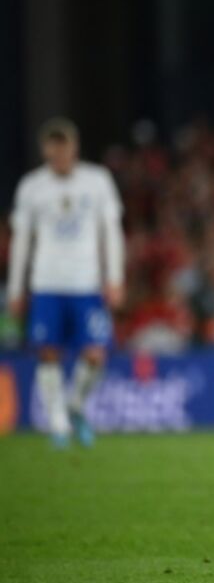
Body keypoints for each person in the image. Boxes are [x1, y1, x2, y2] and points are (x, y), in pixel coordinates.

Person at [7, 117, 125, 448]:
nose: (59, 152)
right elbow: (21, 241)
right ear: (45, 149)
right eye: (53, 145)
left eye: (64, 144)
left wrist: (115, 278)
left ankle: (74, 406)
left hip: (87, 283)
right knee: (48, 354)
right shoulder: (32, 187)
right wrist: (16, 288)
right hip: (47, 283)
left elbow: (111, 232)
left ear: (75, 146)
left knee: (96, 354)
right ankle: (58, 425)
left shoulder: (97, 181)